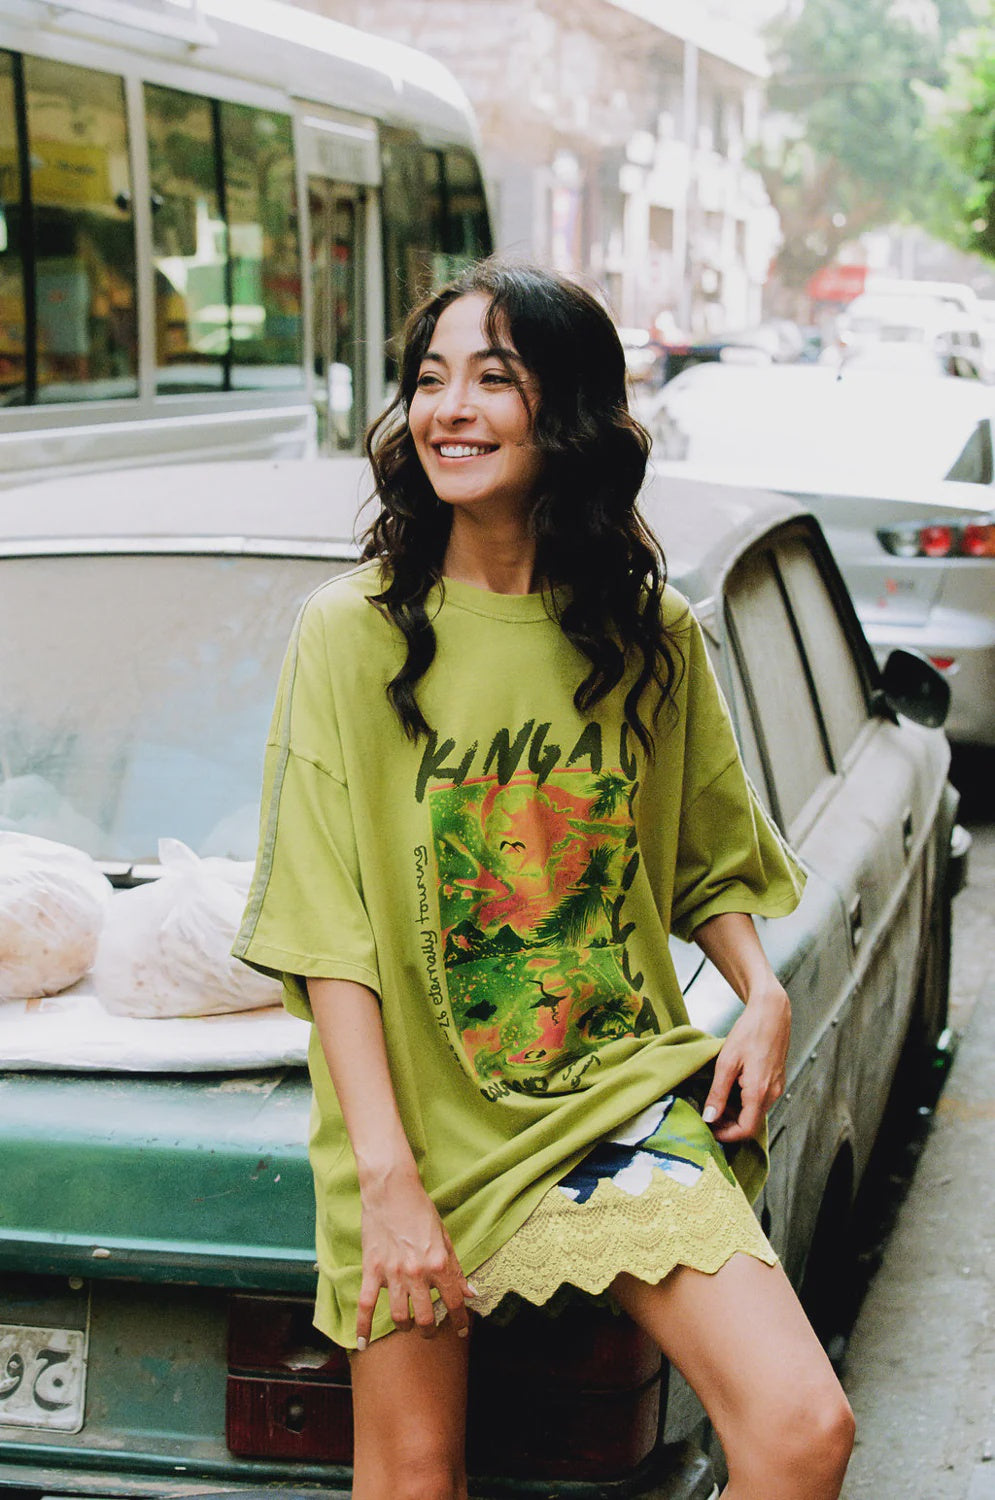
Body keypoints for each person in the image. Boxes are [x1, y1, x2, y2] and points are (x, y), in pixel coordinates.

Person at [233, 259, 855, 1500]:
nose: (448, 409)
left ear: (562, 411)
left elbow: (708, 853)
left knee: (801, 1429)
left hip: (616, 1099)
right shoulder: (352, 634)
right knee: (414, 1478)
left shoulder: (645, 632)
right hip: (417, 1123)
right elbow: (325, 932)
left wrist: (761, 992)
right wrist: (388, 1182)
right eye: (429, 380)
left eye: (492, 378)